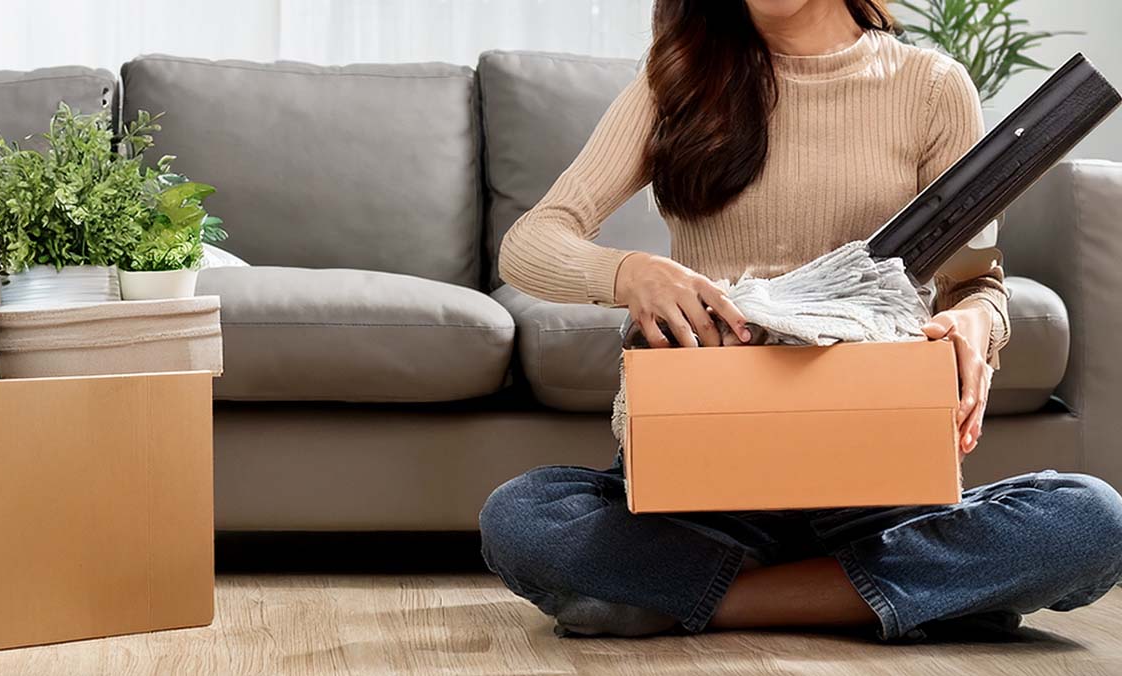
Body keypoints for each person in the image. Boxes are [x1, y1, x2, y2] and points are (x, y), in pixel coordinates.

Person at [478, 0, 1122, 641]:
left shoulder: (931, 87)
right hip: (705, 482)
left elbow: (974, 282)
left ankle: (702, 598)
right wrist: (630, 273)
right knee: (520, 520)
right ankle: (891, 594)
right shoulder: (675, 79)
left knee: (1090, 519)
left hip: (876, 488)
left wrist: (978, 324)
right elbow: (530, 242)